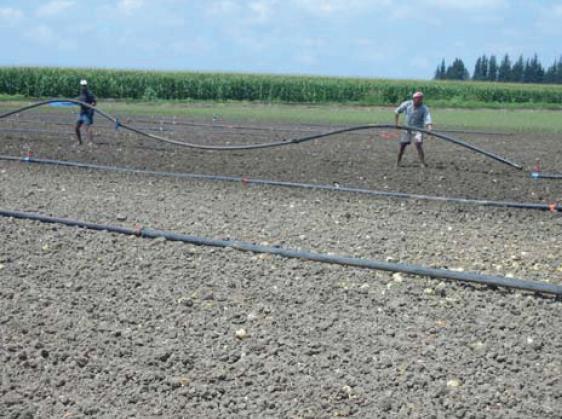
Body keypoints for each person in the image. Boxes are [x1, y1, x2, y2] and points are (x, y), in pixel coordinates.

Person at [394, 91, 432, 167]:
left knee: (418, 144)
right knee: (402, 145)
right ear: (413, 99)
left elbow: (428, 119)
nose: (419, 100)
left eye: (420, 99)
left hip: (418, 129)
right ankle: (398, 162)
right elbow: (397, 112)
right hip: (407, 127)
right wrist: (397, 124)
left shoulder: (424, 108)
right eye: (417, 99)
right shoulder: (407, 104)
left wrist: (429, 129)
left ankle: (422, 163)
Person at [75, 79, 97, 145]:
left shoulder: (89, 94)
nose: (83, 87)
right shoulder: (81, 93)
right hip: (81, 113)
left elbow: (94, 102)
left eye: (84, 85)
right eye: (82, 85)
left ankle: (91, 142)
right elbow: (80, 101)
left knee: (87, 127)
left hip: (88, 113)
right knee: (76, 127)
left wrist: (91, 105)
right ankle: (79, 141)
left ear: (86, 86)